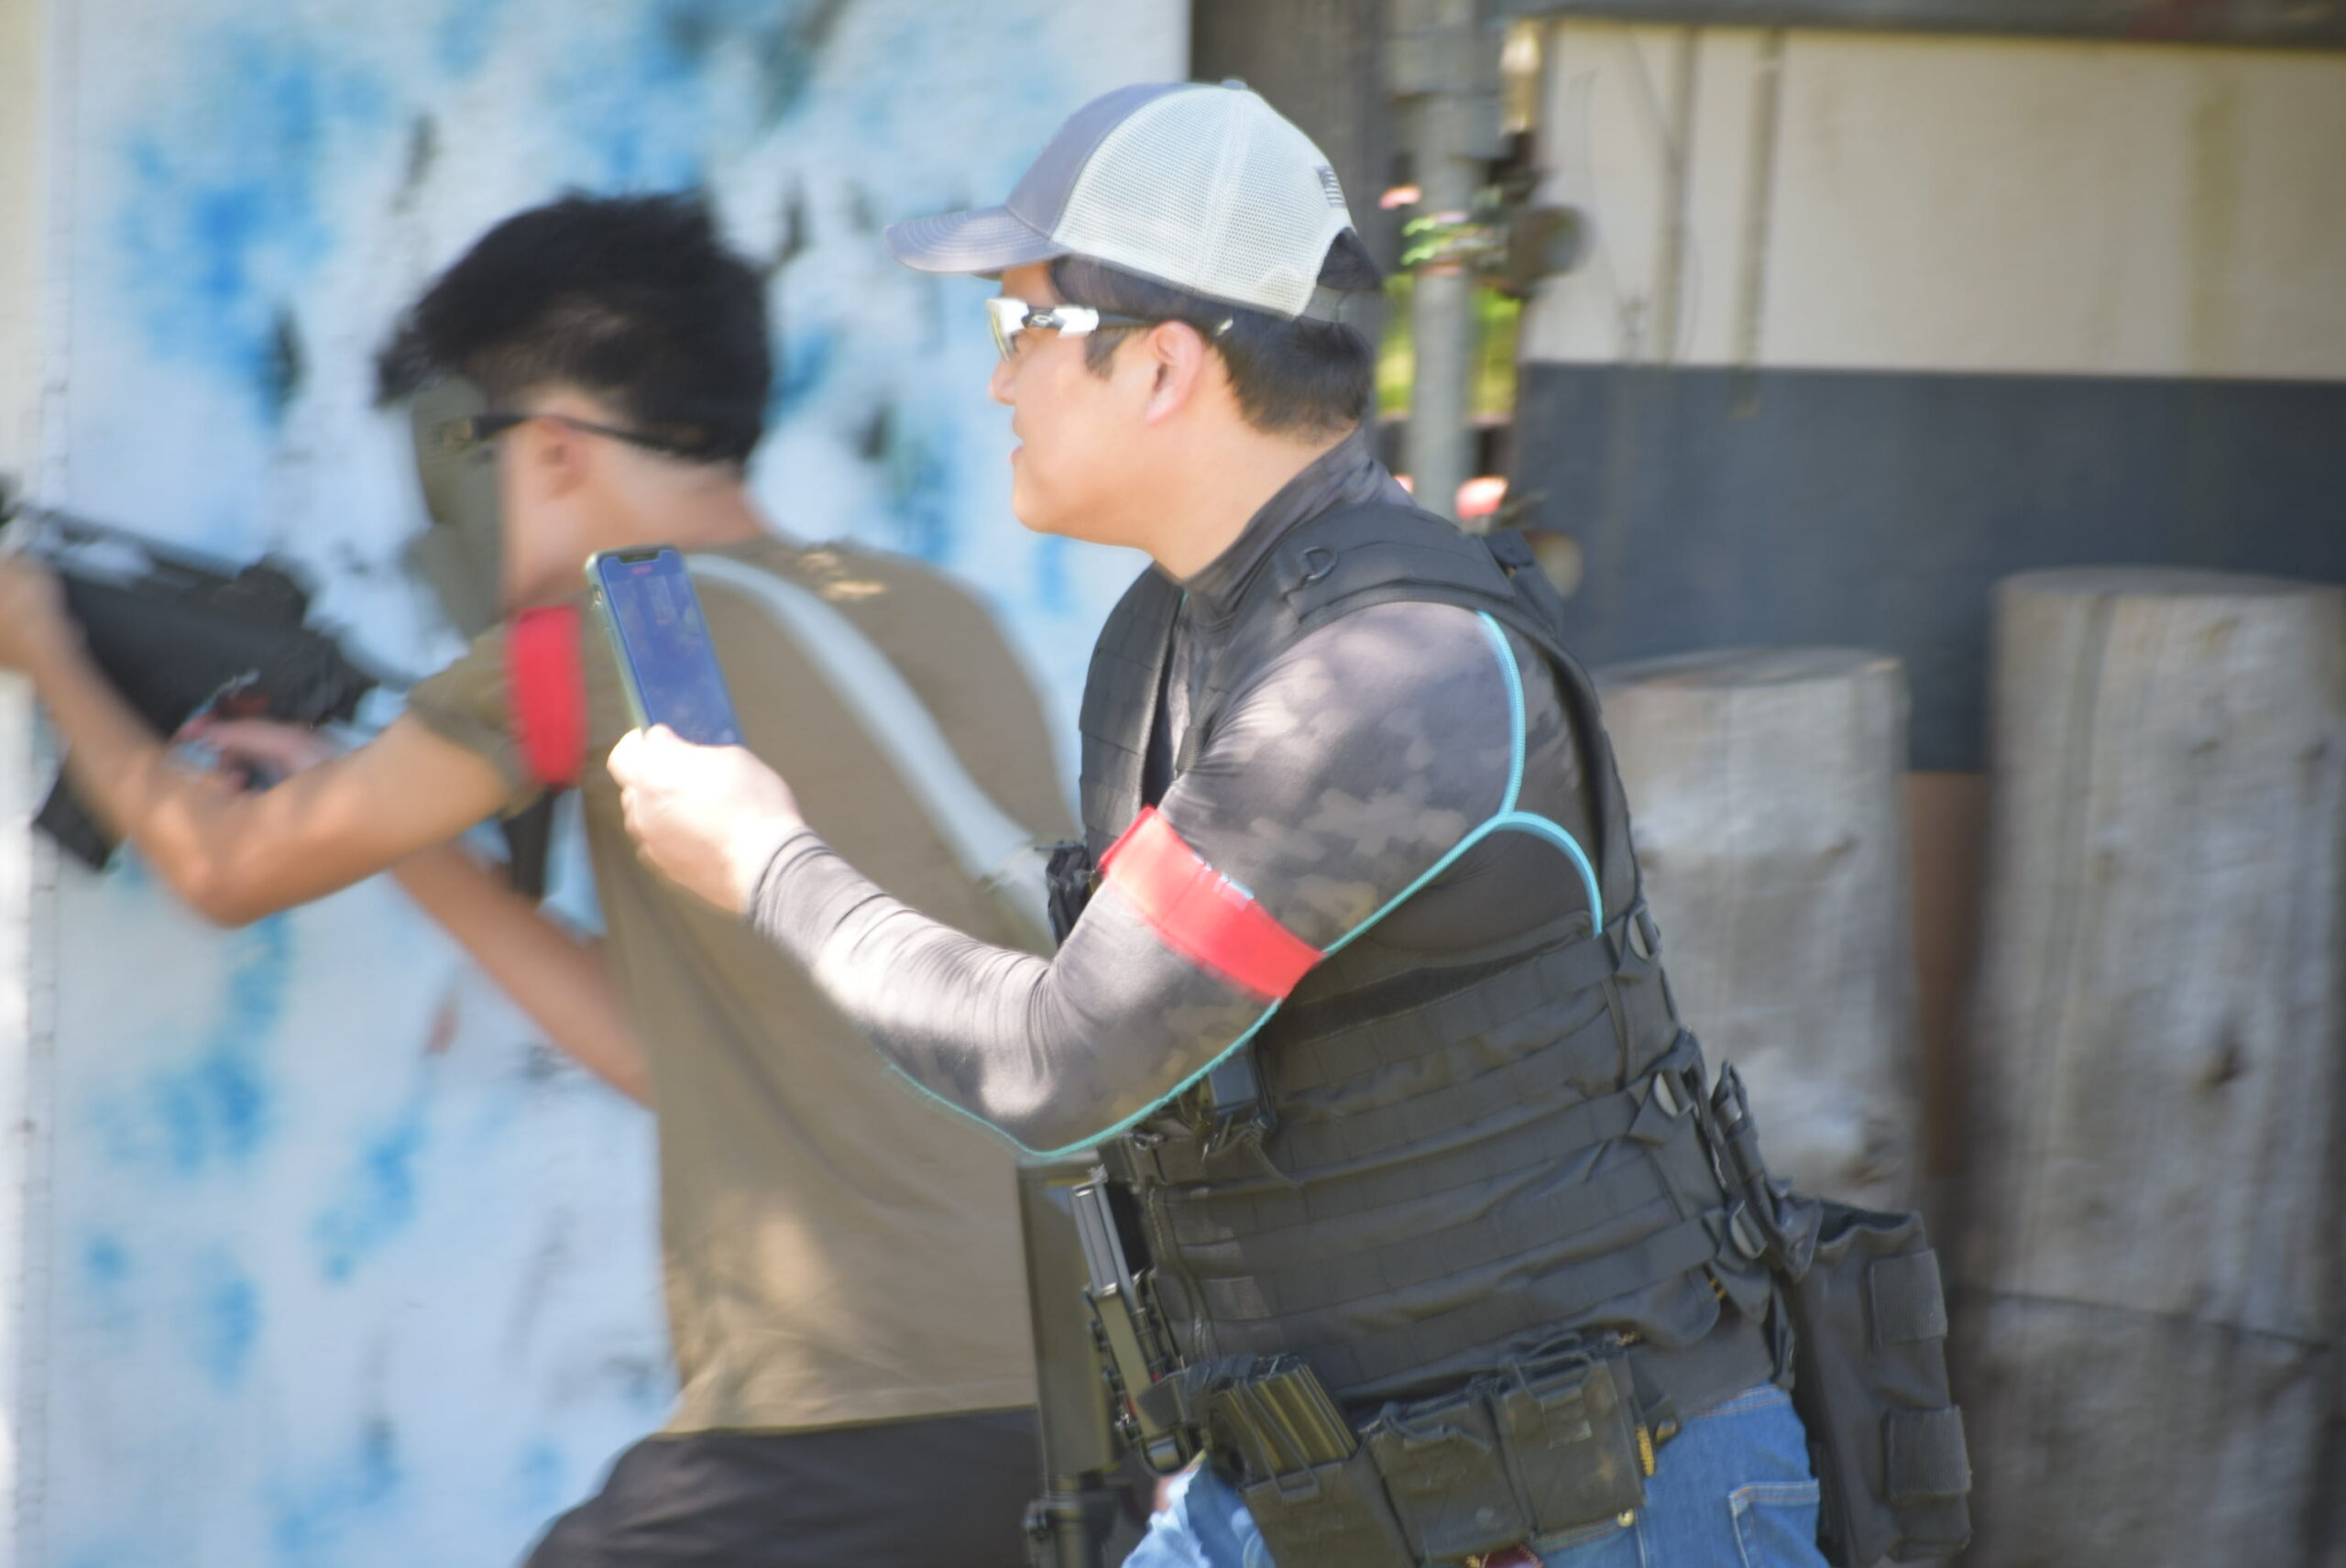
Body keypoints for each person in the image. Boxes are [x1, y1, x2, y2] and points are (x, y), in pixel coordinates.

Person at [608, 83, 1831, 1568]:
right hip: (1309, 1491)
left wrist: (767, 864)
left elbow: (1058, 1062)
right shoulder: (1165, 643)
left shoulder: (1387, 678)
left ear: (1165, 363)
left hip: (1593, 1505)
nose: (997, 382)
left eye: (1022, 328)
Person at [0, 193, 1069, 1566]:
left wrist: (46, 649)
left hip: (841, 1415)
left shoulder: (612, 633)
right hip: (1060, 1401)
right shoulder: (932, 616)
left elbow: (226, 867)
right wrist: (412, 839)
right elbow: (661, 1046)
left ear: (551, 447)